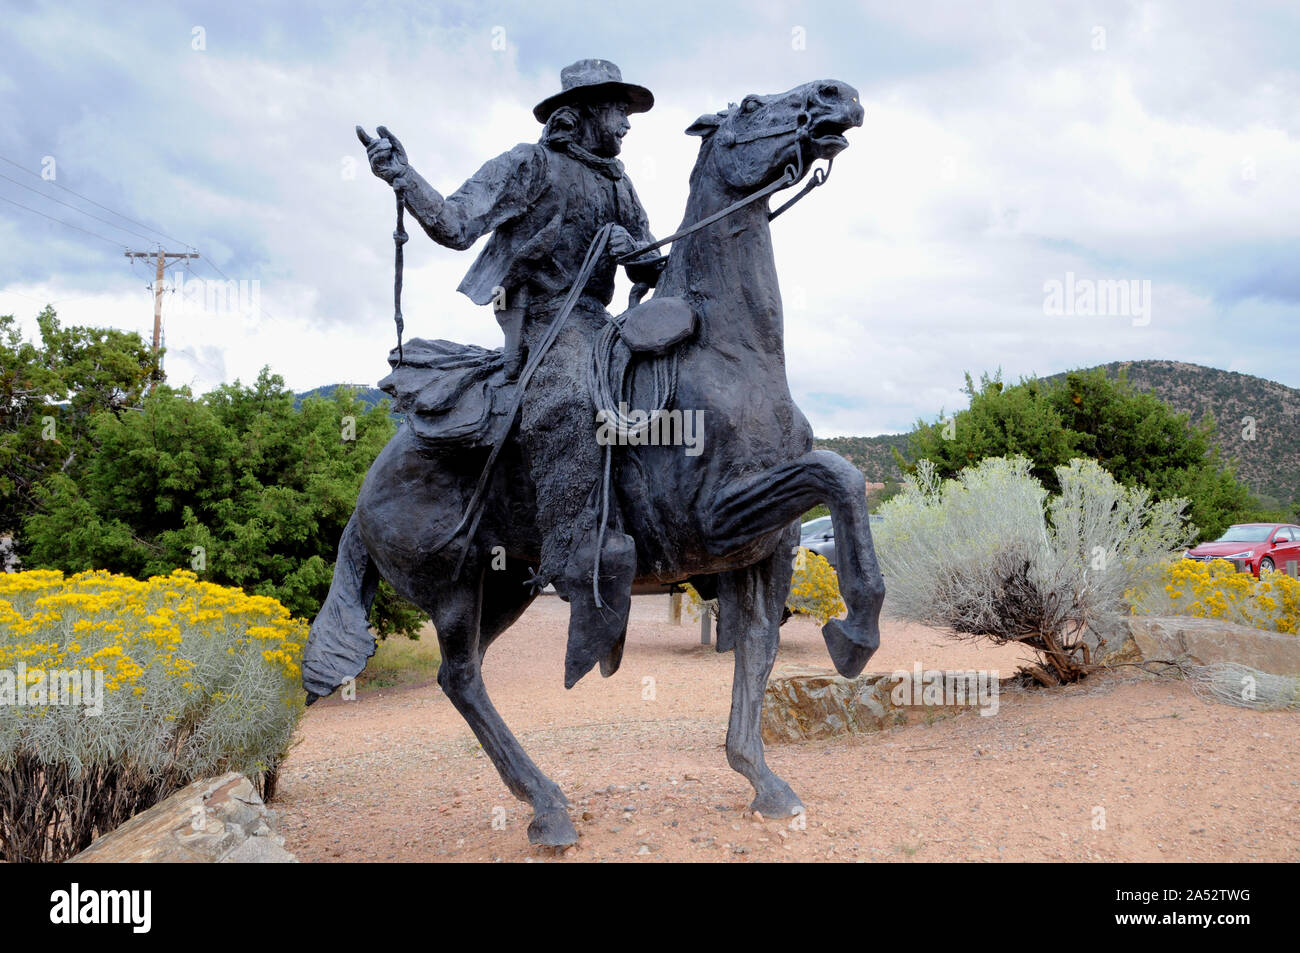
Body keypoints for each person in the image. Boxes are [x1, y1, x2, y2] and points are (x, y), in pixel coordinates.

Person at [361, 59, 665, 685]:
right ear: (581, 111)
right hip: (543, 322)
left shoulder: (619, 182)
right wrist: (401, 175)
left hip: (596, 319)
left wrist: (648, 248)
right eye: (619, 112)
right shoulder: (527, 165)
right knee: (571, 397)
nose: (628, 126)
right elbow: (453, 224)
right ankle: (579, 560)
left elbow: (646, 269)